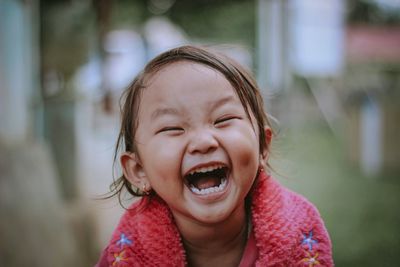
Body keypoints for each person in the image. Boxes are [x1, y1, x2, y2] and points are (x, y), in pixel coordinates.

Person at [96, 45, 333, 267]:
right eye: (172, 128)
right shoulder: (127, 255)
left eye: (223, 120)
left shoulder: (299, 237)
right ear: (139, 170)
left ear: (262, 146)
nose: (203, 142)